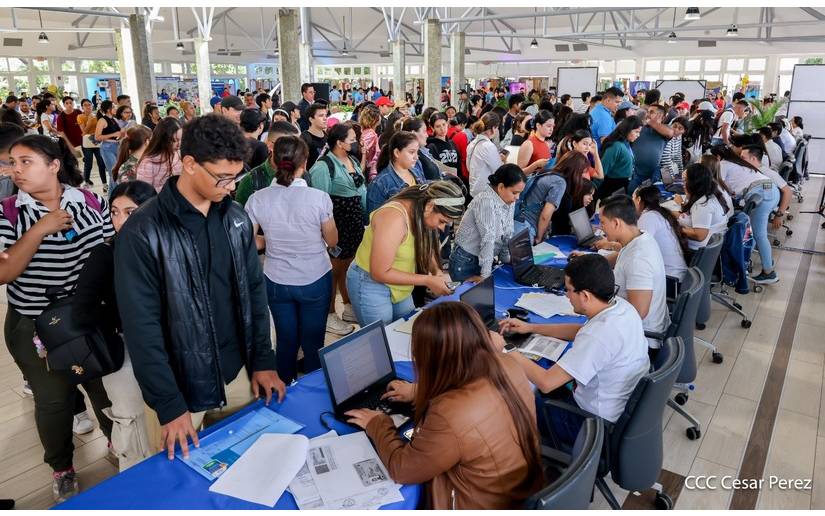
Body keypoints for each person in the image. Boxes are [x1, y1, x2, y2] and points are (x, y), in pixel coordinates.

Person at [114, 113, 286, 462]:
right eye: (223, 177)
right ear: (189, 164)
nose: (232, 186)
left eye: (236, 177)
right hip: (181, 386)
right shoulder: (143, 231)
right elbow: (141, 327)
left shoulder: (236, 218)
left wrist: (264, 361)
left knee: (251, 462)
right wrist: (169, 404)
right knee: (180, 481)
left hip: (239, 373)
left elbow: (254, 292)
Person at [0, 135, 114, 501]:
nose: (16, 170)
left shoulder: (90, 200)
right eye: (12, 163)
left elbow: (109, 250)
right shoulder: (8, 213)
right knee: (53, 401)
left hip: (88, 317)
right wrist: (39, 230)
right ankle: (62, 467)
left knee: (105, 386)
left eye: (26, 162)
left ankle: (119, 443)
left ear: (53, 165)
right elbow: (4, 273)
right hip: (34, 324)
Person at [346, 301, 542, 509]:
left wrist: (378, 423)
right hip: (518, 490)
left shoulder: (450, 414)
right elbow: (473, 388)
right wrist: (417, 390)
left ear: (431, 356)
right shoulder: (509, 364)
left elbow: (403, 470)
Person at [500, 254, 649, 446]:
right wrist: (531, 327)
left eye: (569, 290)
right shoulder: (621, 307)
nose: (566, 296)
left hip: (590, 424)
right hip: (618, 410)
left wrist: (505, 348)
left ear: (585, 295)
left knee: (514, 397)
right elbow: (582, 331)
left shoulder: (599, 335)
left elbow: (546, 382)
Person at [73, 180, 157, 471]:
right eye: (114, 212)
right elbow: (81, 313)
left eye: (131, 212)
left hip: (164, 347)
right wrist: (126, 319)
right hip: (123, 352)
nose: (120, 221)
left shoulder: (166, 246)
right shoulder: (104, 255)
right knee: (130, 421)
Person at [246, 135, 339, 382]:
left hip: (276, 280)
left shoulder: (258, 198)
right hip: (315, 277)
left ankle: (284, 392)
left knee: (286, 341)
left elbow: (247, 241)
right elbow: (332, 241)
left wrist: (269, 241)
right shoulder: (319, 199)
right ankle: (314, 389)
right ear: (305, 162)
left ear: (274, 162)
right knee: (313, 342)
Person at [347, 181, 463, 325]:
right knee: (383, 341)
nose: (441, 228)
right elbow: (379, 272)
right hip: (369, 283)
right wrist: (428, 280)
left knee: (407, 329)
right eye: (442, 221)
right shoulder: (394, 218)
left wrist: (437, 272)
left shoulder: (422, 211)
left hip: (400, 284)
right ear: (430, 206)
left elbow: (425, 245)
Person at [308, 123, 367, 335]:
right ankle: (330, 314)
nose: (356, 142)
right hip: (337, 226)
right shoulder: (324, 167)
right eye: (352, 139)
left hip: (354, 224)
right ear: (340, 143)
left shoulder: (351, 160)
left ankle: (349, 307)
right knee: (333, 271)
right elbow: (317, 201)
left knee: (348, 267)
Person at [597, 195, 669, 348]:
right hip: (631, 325)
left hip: (641, 338)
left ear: (616, 223)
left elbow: (638, 312)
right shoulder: (639, 237)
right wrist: (591, 263)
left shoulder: (639, 260)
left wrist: (598, 310)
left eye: (602, 222)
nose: (600, 227)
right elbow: (622, 257)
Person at [449, 164, 525, 280]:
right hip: (467, 260)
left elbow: (508, 230)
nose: (517, 197)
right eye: (514, 193)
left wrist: (505, 257)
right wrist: (485, 276)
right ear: (500, 187)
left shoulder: (508, 199)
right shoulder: (485, 201)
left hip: (485, 257)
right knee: (469, 295)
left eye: (519, 193)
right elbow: (488, 240)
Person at [718, 147, 780, 284]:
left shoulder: (723, 164)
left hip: (761, 193)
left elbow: (717, 186)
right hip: (771, 190)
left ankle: (769, 272)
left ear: (717, 157)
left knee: (758, 235)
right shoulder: (739, 164)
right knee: (753, 232)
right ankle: (751, 262)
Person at [235, 121, 300, 206]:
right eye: (289, 146)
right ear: (271, 146)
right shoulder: (251, 181)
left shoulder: (303, 176)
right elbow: (241, 216)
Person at [633, 185, 688, 279]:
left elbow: (637, 250)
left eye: (632, 199)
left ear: (638, 200)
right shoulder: (659, 212)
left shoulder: (648, 217)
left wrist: (612, 245)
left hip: (670, 278)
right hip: (677, 274)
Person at [367, 131, 428, 215]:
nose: (416, 157)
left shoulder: (416, 172)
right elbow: (374, 220)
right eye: (411, 152)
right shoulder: (379, 184)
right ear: (396, 153)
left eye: (417, 152)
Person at [676, 163, 731, 254]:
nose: (683, 184)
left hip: (696, 252)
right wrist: (668, 212)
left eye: (685, 181)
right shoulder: (711, 195)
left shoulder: (702, 205)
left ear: (694, 183)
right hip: (711, 250)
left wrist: (676, 228)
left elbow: (699, 235)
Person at [628, 104, 674, 193]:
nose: (647, 114)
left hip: (652, 175)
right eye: (647, 112)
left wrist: (650, 121)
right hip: (635, 174)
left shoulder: (666, 129)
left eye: (651, 112)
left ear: (662, 116)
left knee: (648, 199)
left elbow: (670, 133)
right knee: (632, 198)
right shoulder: (640, 128)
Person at [597, 116, 643, 199]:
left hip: (622, 184)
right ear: (628, 129)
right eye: (636, 132)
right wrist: (592, 189)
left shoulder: (627, 143)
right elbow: (603, 169)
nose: (638, 135)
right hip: (612, 187)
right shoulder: (616, 146)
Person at [134, 117, 183, 192]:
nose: (179, 144)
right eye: (174, 141)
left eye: (180, 139)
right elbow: (144, 192)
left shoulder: (180, 155)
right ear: (163, 140)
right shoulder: (148, 163)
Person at [467, 112, 503, 197]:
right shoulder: (488, 146)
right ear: (494, 128)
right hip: (485, 193)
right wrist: (502, 160)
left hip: (473, 190)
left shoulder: (471, 144)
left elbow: (469, 167)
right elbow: (499, 171)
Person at [94, 100, 123, 191]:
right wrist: (113, 134)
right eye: (113, 107)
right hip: (107, 147)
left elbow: (118, 133)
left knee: (115, 173)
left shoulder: (114, 119)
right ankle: (115, 196)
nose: (115, 108)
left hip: (116, 146)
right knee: (114, 173)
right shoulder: (102, 120)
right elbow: (97, 137)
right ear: (108, 109)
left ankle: (111, 198)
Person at [77, 98, 106, 188]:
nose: (88, 107)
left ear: (92, 105)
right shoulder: (80, 117)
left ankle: (105, 184)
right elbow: (84, 132)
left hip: (97, 140)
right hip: (87, 141)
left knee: (101, 162)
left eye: (89, 105)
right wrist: (89, 121)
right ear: (82, 107)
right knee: (88, 162)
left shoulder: (97, 116)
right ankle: (87, 181)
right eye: (85, 105)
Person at [516, 109, 553, 175]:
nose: (551, 129)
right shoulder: (528, 144)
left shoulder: (546, 144)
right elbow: (519, 173)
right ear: (538, 126)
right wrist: (535, 165)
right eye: (548, 126)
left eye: (553, 126)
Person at [300, 103, 328, 170]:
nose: (325, 118)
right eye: (321, 116)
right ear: (311, 119)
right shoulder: (304, 138)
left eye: (326, 115)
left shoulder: (327, 137)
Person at [358, 104, 382, 181]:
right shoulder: (371, 134)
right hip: (368, 170)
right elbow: (365, 152)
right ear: (376, 119)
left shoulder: (364, 131)